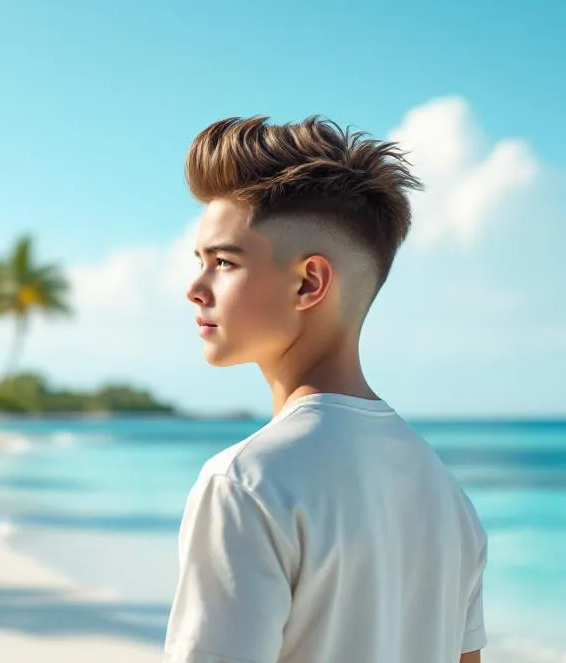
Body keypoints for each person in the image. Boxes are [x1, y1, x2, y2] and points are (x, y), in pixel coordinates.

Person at [163, 116, 488, 663]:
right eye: (200, 263)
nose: (195, 288)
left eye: (223, 262)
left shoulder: (247, 484)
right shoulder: (447, 497)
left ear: (309, 283)